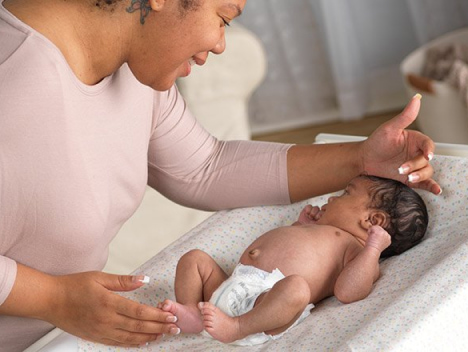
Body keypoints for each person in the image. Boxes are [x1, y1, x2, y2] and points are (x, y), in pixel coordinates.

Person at [0, 0, 441, 350]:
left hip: (62, 338)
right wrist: (52, 299)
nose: (219, 43)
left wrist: (361, 160)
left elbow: (205, 167)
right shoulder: (14, 82)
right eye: (224, 18)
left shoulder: (134, 69)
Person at [159, 175, 428, 345]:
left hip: (267, 307)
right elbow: (289, 247)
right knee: (194, 259)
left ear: (372, 220)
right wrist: (299, 225)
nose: (333, 197)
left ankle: (237, 328)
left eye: (347, 193)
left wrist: (373, 249)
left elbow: (348, 292)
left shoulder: (356, 249)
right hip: (232, 285)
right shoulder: (321, 229)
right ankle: (193, 311)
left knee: (297, 287)